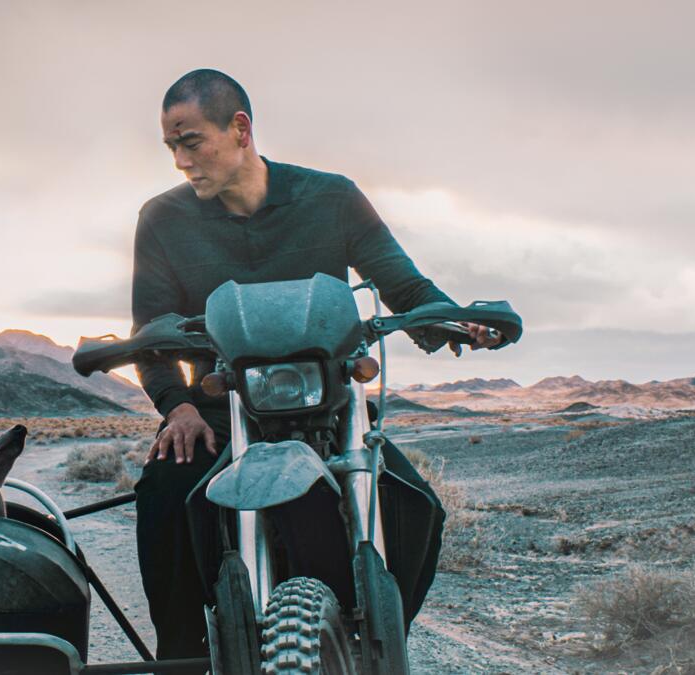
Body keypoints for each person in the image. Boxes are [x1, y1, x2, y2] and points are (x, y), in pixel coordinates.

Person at [130, 68, 502, 667]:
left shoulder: (331, 197)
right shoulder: (162, 219)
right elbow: (148, 331)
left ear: (240, 129)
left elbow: (403, 285)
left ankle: (375, 641)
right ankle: (180, 656)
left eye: (190, 140)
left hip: (327, 404)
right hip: (220, 406)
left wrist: (454, 322)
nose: (179, 160)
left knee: (414, 506)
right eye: (171, 146)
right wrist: (175, 406)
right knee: (166, 489)